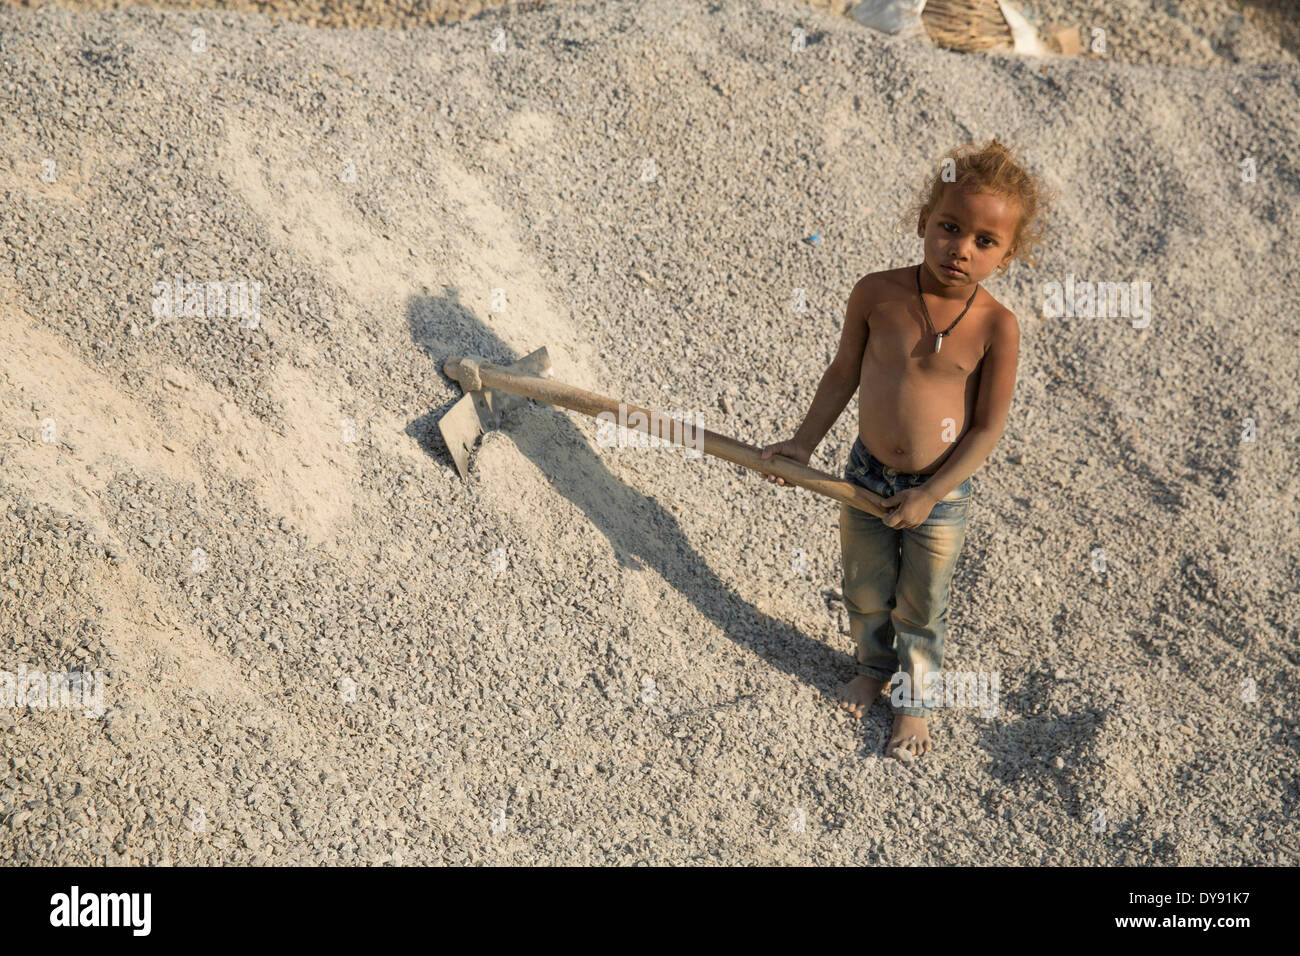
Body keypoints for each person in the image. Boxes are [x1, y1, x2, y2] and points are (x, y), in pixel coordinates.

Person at [760, 139, 1049, 759]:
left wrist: (931, 493)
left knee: (922, 602)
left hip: (939, 491)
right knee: (865, 584)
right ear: (924, 222)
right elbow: (843, 374)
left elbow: (986, 428)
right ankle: (870, 668)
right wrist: (804, 445)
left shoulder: (998, 326)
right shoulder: (877, 293)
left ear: (1009, 253)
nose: (961, 249)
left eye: (984, 241)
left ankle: (914, 701)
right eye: (949, 227)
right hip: (865, 472)